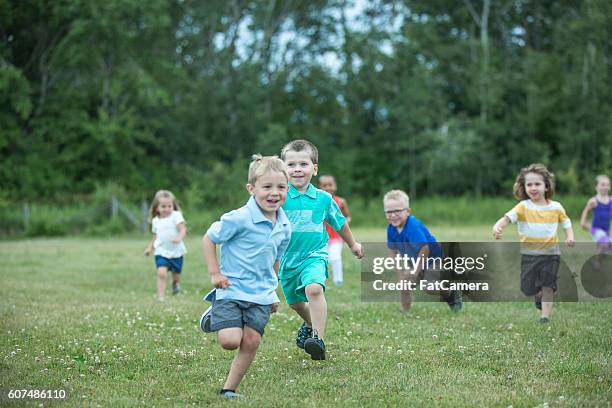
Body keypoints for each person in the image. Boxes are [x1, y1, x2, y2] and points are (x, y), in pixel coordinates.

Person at [201, 155, 291, 398]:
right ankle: (216, 313)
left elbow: (275, 261)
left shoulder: (284, 226)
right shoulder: (239, 218)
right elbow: (209, 238)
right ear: (251, 189)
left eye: (281, 187)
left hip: (261, 293)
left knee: (251, 341)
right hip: (231, 288)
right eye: (267, 187)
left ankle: (228, 389)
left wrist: (273, 293)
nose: (274, 193)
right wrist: (215, 273)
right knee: (230, 340)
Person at [280, 139, 363, 360]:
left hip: (314, 254)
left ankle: (318, 340)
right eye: (291, 165)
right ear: (283, 168)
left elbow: (340, 222)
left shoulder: (323, 199)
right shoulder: (278, 196)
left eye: (303, 164)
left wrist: (353, 244)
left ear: (314, 169)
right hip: (287, 259)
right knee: (296, 303)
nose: (297, 169)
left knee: (314, 289)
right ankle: (309, 323)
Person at [493, 163, 574, 323]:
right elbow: (508, 218)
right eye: (529, 184)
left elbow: (566, 222)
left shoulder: (556, 207)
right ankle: (539, 295)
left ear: (546, 186)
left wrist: (569, 236)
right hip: (529, 255)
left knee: (547, 285)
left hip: (551, 254)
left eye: (537, 184)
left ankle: (544, 317)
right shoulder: (523, 207)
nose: (533, 187)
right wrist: (498, 225)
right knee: (527, 288)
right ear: (524, 187)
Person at [383, 189, 463, 313]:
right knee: (404, 284)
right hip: (416, 261)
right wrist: (400, 274)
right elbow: (392, 250)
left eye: (397, 211)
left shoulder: (412, 226)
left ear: (408, 211)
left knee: (429, 287)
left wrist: (415, 270)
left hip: (433, 259)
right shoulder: (391, 229)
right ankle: (405, 312)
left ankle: (451, 293)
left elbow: (424, 248)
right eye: (389, 212)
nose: (393, 215)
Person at [144, 190, 187, 302]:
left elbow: (182, 229)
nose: (167, 209)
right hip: (161, 251)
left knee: (176, 276)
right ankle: (161, 297)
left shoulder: (176, 216)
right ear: (157, 207)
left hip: (176, 252)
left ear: (173, 206)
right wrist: (150, 248)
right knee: (161, 273)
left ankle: (175, 285)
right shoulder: (156, 221)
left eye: (169, 206)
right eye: (163, 206)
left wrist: (179, 238)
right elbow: (155, 237)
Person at [318, 174, 352, 285]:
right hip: (323, 237)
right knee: (323, 259)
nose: (327, 188)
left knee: (335, 257)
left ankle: (338, 280)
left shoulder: (341, 201)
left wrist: (344, 223)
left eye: (330, 185)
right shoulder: (318, 201)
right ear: (319, 187)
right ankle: (321, 279)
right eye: (324, 185)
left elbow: (347, 216)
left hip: (337, 236)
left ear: (335, 186)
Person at [580, 175, 612, 268]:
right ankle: (596, 262)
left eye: (607, 185)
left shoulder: (611, 200)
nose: (605, 187)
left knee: (607, 246)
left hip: (606, 231)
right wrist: (583, 223)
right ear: (596, 187)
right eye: (602, 184)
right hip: (595, 229)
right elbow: (586, 211)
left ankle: (600, 257)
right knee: (605, 244)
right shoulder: (593, 201)